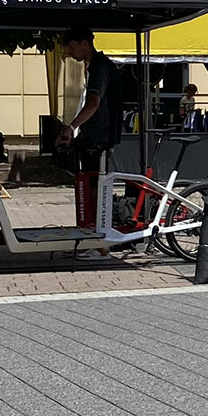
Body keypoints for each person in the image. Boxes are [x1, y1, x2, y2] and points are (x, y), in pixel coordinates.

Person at [56, 27, 124, 258]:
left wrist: (71, 127)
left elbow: (94, 103)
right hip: (96, 134)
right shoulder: (96, 66)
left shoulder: (99, 67)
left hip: (100, 135)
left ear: (85, 43)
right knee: (90, 185)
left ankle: (99, 244)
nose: (71, 51)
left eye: (73, 46)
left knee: (95, 188)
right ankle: (92, 238)